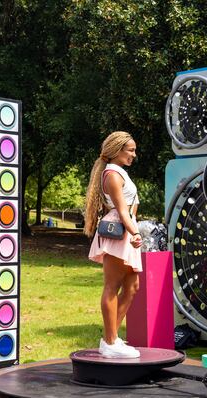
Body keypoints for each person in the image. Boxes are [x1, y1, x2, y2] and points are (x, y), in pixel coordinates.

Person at [84, 131, 143, 358]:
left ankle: (111, 339)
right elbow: (122, 211)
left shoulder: (119, 173)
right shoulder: (112, 174)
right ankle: (110, 342)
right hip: (119, 232)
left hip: (126, 232)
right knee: (113, 286)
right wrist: (135, 232)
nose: (134, 155)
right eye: (130, 150)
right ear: (117, 150)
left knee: (132, 287)